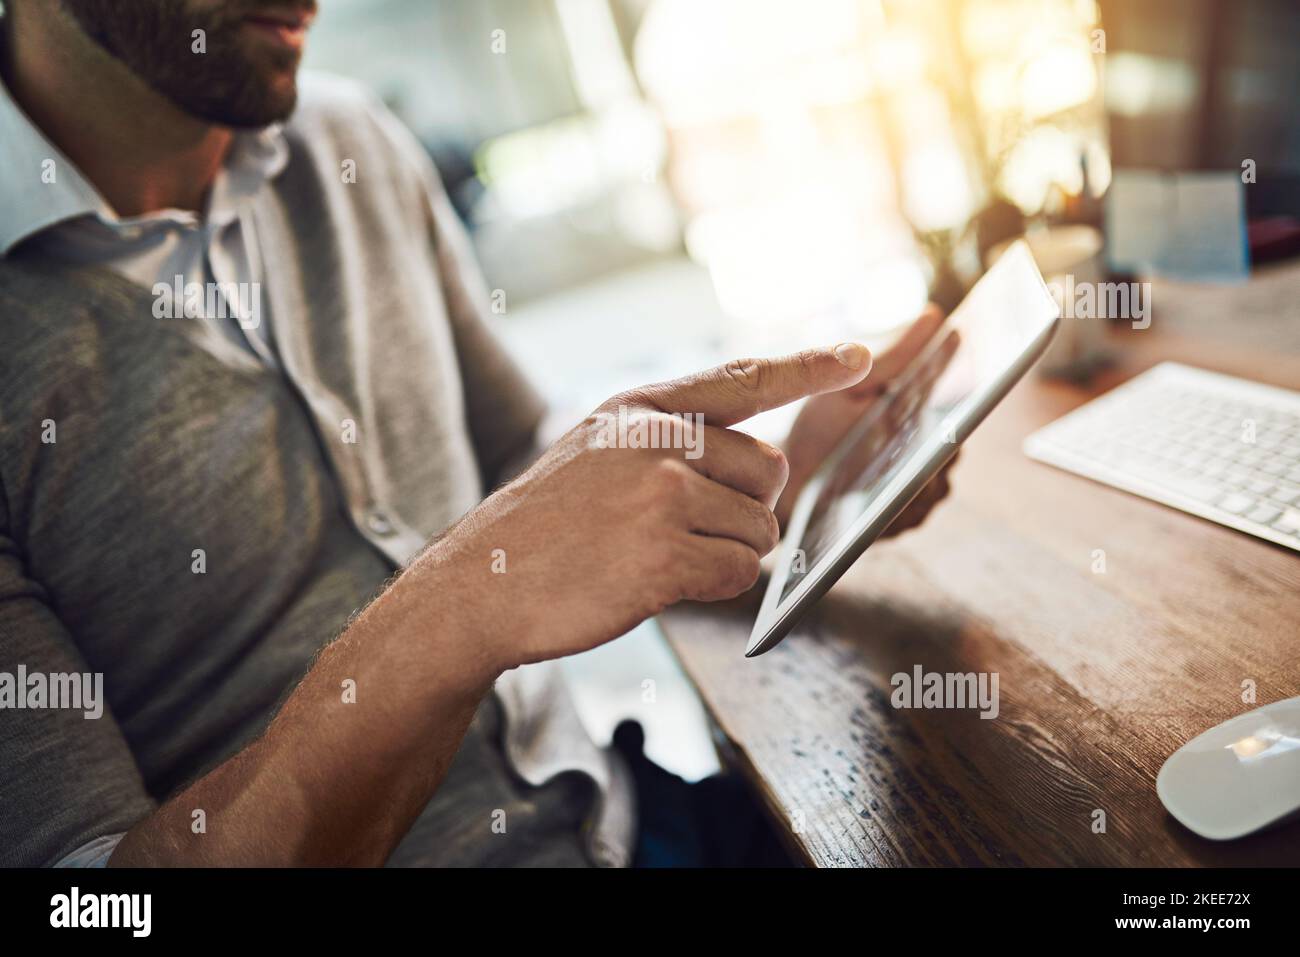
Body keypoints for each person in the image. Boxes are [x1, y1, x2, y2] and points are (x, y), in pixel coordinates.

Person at [0, 0, 952, 867]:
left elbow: (518, 469)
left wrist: (781, 476)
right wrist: (458, 608)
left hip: (625, 828)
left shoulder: (352, 140)